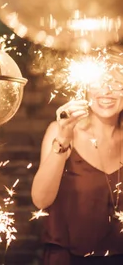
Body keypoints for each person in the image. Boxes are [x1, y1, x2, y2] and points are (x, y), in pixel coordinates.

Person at [31, 52, 123, 264]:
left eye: (117, 83)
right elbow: (41, 200)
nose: (106, 91)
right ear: (85, 87)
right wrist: (63, 139)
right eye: (98, 83)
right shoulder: (61, 132)